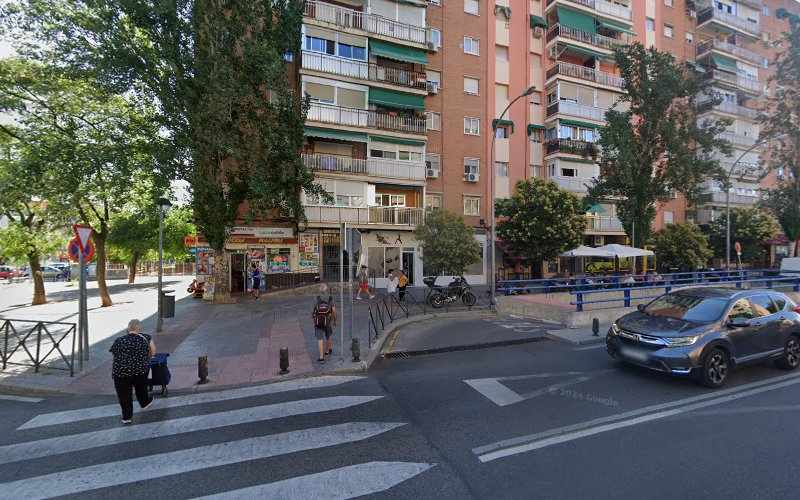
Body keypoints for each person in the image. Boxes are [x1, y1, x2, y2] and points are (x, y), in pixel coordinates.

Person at [109, 319, 156, 424]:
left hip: (120, 372)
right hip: (139, 370)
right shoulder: (146, 337)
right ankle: (144, 403)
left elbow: (114, 352)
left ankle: (127, 417)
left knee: (124, 395)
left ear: (128, 328)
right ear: (139, 328)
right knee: (141, 388)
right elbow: (153, 351)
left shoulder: (119, 340)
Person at [312, 295, 337, 363]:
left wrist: (315, 320)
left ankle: (321, 357)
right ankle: (328, 350)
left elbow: (314, 312)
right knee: (328, 335)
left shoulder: (317, 299)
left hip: (318, 323)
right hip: (327, 322)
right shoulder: (330, 299)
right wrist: (334, 320)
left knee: (320, 339)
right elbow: (334, 311)